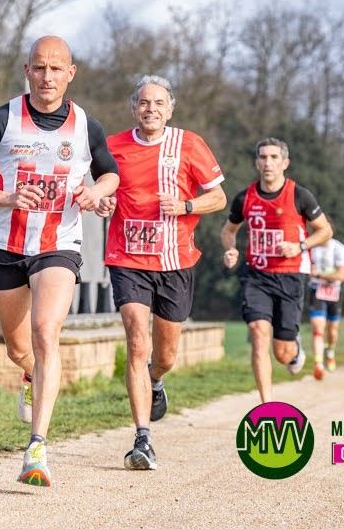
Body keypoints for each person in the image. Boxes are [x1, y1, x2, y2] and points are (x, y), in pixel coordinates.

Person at [0, 35, 120, 487]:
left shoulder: (87, 126)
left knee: (47, 332)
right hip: (6, 244)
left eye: (56, 68)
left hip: (59, 243)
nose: (48, 77)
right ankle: (31, 374)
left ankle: (37, 447)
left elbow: (110, 175)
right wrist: (4, 197)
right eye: (39, 68)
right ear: (27, 71)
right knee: (17, 347)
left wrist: (95, 193)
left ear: (71, 72)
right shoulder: (2, 119)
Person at [95, 75, 227, 470]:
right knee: (137, 342)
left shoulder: (189, 144)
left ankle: (156, 379)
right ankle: (142, 439)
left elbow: (218, 197)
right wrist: (102, 203)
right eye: (144, 102)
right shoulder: (113, 147)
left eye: (159, 103)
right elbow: (102, 191)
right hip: (127, 258)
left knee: (164, 355)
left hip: (175, 262)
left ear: (171, 109)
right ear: (132, 108)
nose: (151, 108)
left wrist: (186, 207)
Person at [220, 137, 333, 404]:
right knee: (259, 334)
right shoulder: (245, 197)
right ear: (256, 163)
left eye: (273, 157)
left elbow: (326, 231)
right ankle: (267, 406)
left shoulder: (299, 195)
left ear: (285, 163)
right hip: (256, 276)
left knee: (282, 353)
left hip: (290, 275)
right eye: (263, 157)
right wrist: (230, 249)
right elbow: (228, 231)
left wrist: (300, 245)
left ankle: (294, 351)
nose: (268, 162)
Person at [307, 222, 344, 379]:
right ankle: (318, 364)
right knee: (318, 328)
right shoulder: (311, 248)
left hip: (334, 291)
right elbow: (307, 271)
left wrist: (318, 275)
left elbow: (341, 276)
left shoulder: (339, 248)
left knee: (332, 330)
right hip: (316, 290)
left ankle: (330, 351)